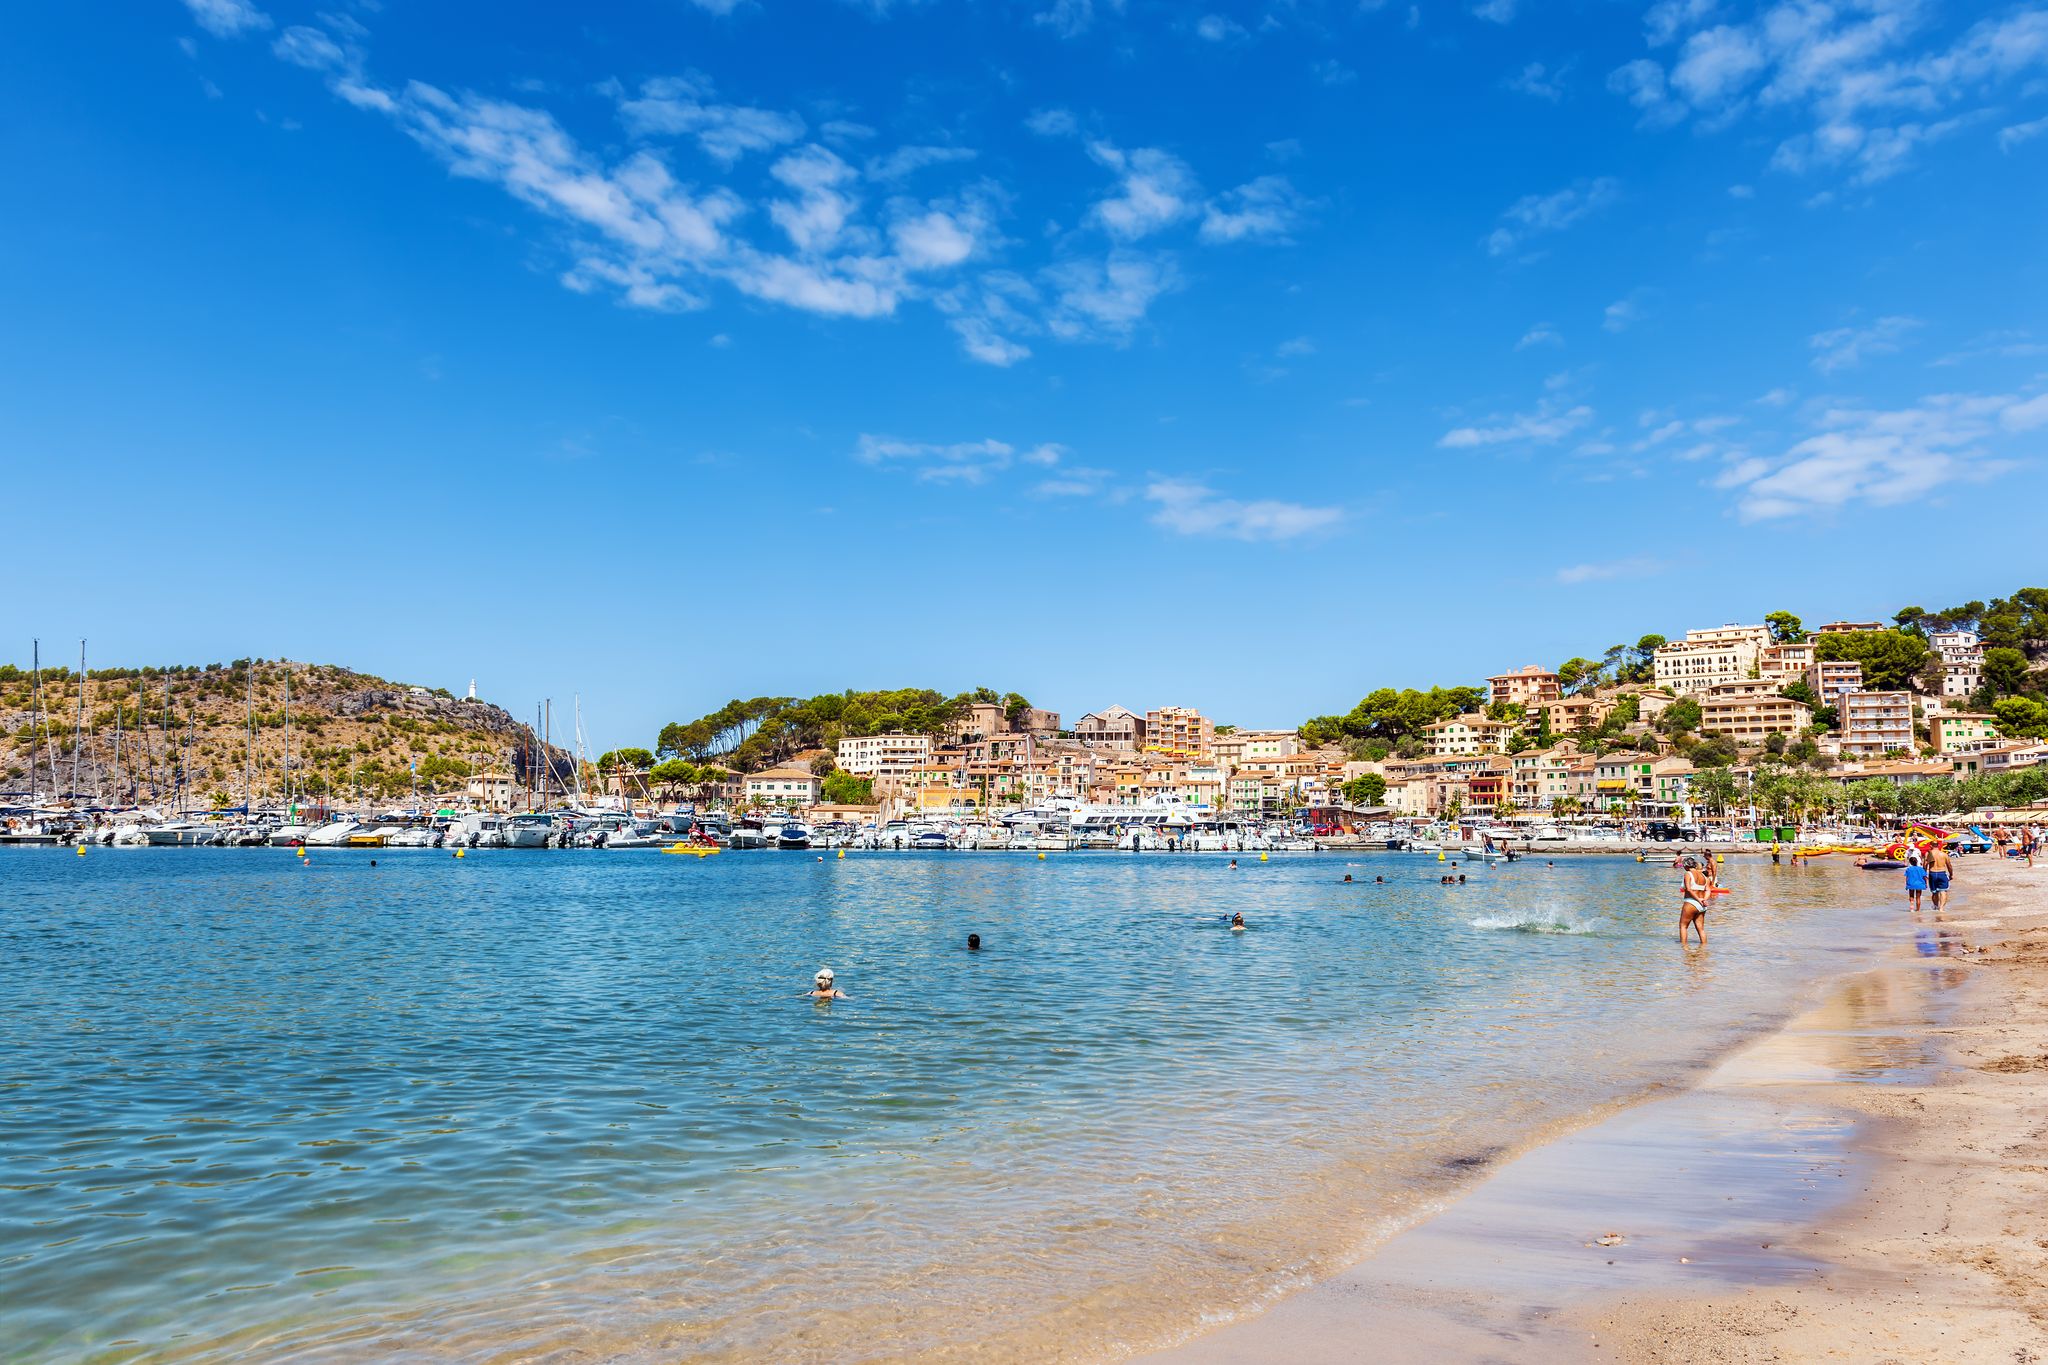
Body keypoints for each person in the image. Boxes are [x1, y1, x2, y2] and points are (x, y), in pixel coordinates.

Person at [1678, 856, 1710, 947]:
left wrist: (1698, 900)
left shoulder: (1688, 874)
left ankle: (1684, 949)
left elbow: (1688, 889)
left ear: (1686, 866)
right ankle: (1704, 949)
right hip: (1702, 906)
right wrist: (1704, 899)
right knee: (1701, 929)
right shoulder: (1704, 876)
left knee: (1683, 926)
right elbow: (1708, 890)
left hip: (1691, 903)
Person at [1925, 842, 1954, 912]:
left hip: (1932, 873)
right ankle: (1941, 908)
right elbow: (1949, 866)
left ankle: (1936, 906)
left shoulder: (1929, 853)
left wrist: (1924, 874)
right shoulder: (1944, 854)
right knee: (1943, 891)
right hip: (1942, 873)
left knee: (1934, 892)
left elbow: (1925, 865)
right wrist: (1951, 874)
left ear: (1931, 846)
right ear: (1938, 846)